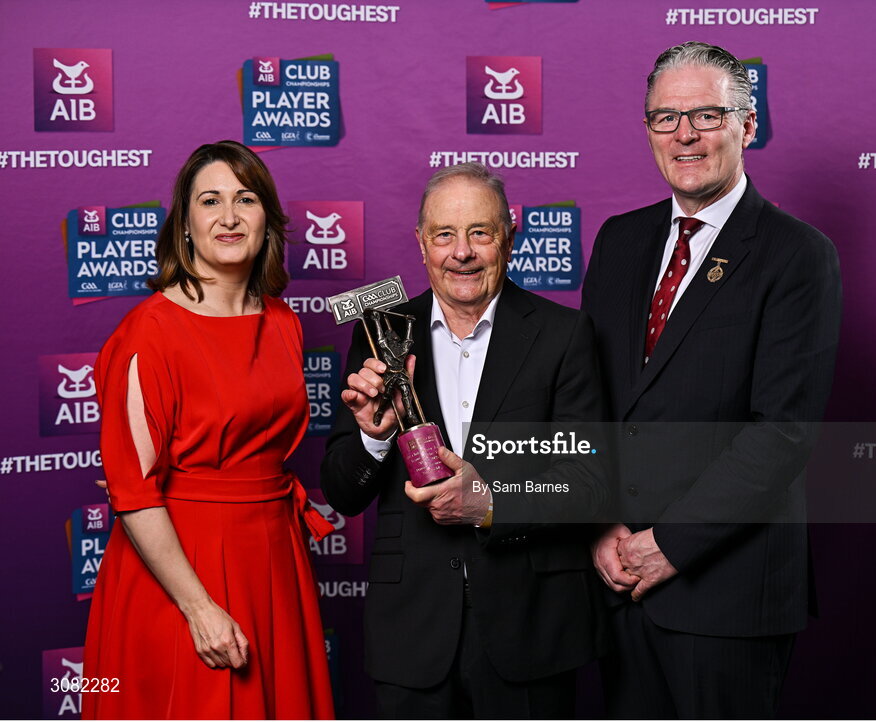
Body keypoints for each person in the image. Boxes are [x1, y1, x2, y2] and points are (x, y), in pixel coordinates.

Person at [581, 42, 842, 718]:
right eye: (665, 118)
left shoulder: (796, 255)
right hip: (617, 585)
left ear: (747, 125)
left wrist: (668, 544)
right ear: (647, 131)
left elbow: (781, 432)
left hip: (727, 594)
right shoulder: (618, 241)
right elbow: (590, 401)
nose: (684, 135)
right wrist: (599, 522)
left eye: (705, 114)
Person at [320, 163, 607, 719]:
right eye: (444, 235)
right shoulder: (380, 334)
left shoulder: (564, 335)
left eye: (481, 232)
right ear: (421, 242)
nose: (462, 253)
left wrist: (493, 503)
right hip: (412, 633)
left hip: (531, 631)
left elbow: (589, 483)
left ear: (510, 235)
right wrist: (374, 440)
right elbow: (341, 490)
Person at [82, 140, 335, 719]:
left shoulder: (282, 320)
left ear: (267, 220)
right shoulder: (149, 331)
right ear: (186, 225)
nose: (229, 216)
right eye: (210, 200)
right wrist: (199, 608)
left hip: (274, 555)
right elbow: (136, 490)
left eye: (245, 199)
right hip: (183, 569)